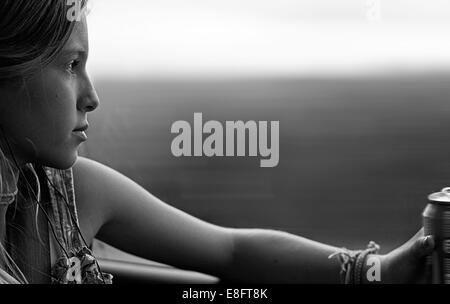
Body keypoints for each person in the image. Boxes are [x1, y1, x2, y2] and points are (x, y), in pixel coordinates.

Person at [0, 0, 435, 284]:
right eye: (71, 64)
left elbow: (231, 250)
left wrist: (376, 272)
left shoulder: (71, 193)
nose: (92, 98)